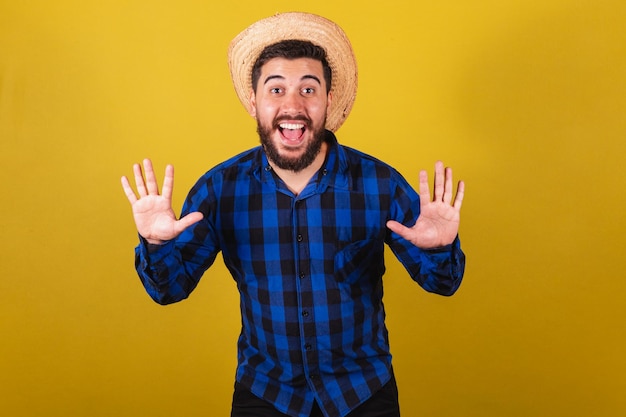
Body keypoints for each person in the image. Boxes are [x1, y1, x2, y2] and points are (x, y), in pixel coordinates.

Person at [121, 12, 465, 417]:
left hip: (363, 392)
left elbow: (443, 284)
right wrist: (156, 244)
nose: (293, 105)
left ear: (327, 101)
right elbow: (169, 290)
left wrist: (441, 250)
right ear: (254, 102)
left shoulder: (380, 183)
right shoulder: (219, 189)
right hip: (266, 393)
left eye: (308, 88)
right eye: (276, 89)